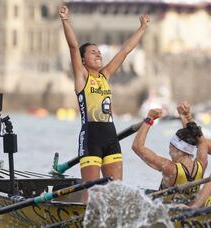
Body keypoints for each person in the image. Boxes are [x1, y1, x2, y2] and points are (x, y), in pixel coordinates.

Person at [59, 5, 150, 202]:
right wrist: (66, 20)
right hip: (91, 137)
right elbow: (74, 46)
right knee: (90, 194)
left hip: (110, 137)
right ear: (82, 60)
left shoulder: (105, 75)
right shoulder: (82, 78)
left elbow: (125, 51)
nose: (98, 54)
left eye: (99, 52)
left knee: (115, 194)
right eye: (93, 52)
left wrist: (142, 28)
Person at [132, 101, 208, 203]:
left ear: (176, 149)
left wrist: (149, 119)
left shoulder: (170, 168)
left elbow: (137, 147)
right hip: (189, 209)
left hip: (166, 212)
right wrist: (186, 116)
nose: (169, 151)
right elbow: (202, 142)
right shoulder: (201, 164)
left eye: (171, 147)